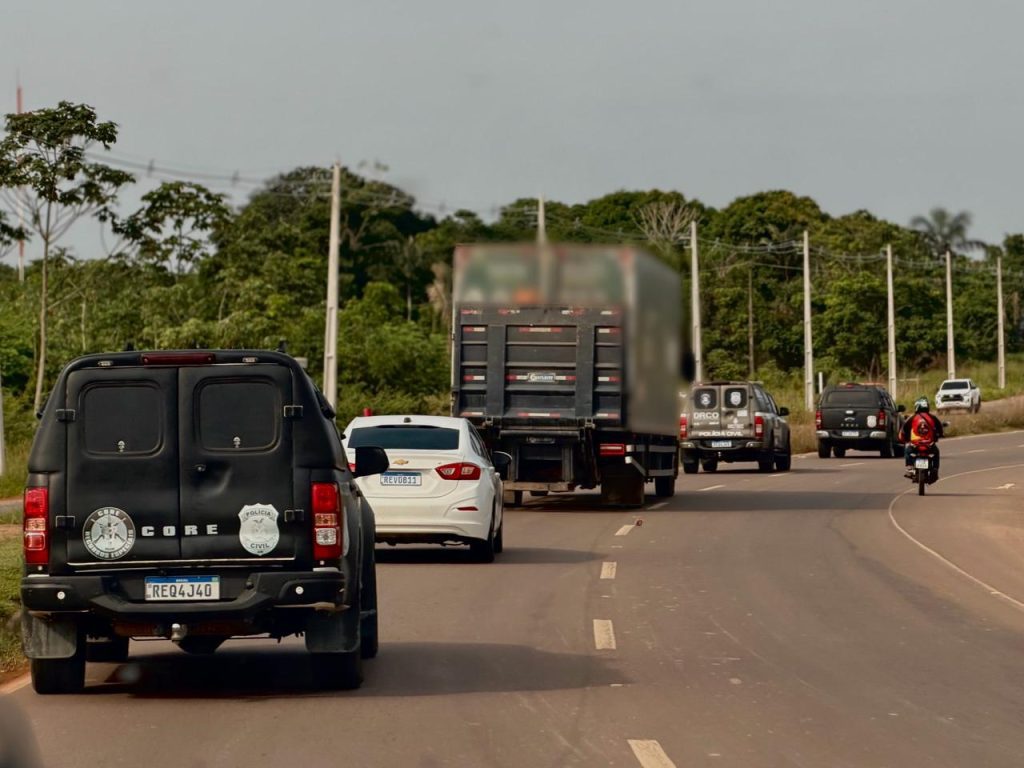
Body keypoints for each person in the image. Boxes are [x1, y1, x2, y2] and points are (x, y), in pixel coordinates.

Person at [899, 396, 944, 477]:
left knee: (907, 451)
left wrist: (904, 438)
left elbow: (904, 429)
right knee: (936, 453)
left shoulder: (912, 417)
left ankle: (909, 468)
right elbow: (940, 428)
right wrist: (939, 435)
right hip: (929, 445)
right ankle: (935, 469)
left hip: (915, 445)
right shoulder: (932, 417)